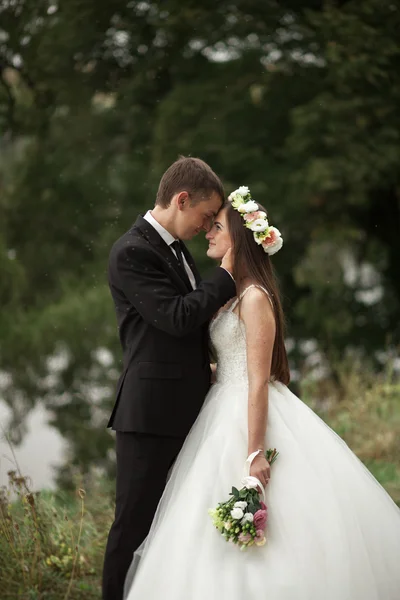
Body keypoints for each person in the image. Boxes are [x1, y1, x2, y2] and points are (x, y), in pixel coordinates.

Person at [124, 186, 400, 600]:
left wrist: (254, 453)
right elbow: (224, 358)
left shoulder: (254, 299)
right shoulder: (229, 296)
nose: (208, 233)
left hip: (247, 414)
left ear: (239, 239)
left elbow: (256, 381)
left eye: (217, 227)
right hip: (219, 411)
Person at [102, 157, 237, 600]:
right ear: (181, 200)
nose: (206, 227)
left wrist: (210, 366)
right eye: (204, 216)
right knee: (133, 524)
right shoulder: (132, 251)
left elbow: (184, 331)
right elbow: (176, 317)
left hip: (189, 405)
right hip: (149, 414)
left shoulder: (176, 249)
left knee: (176, 521)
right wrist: (228, 276)